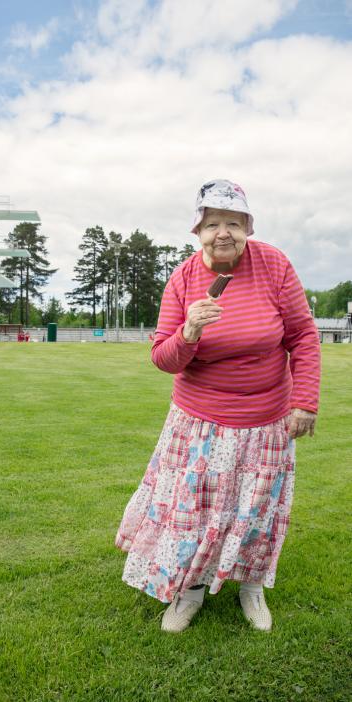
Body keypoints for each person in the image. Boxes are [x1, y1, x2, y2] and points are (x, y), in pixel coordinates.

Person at [115, 179, 320, 633]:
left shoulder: (273, 265)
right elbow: (162, 358)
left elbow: (303, 335)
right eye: (212, 224)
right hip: (199, 421)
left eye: (233, 222)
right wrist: (188, 332)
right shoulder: (184, 278)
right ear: (197, 230)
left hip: (267, 419)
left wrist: (304, 400)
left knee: (255, 509)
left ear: (248, 225)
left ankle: (250, 587)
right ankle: (188, 592)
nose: (223, 232)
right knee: (193, 510)